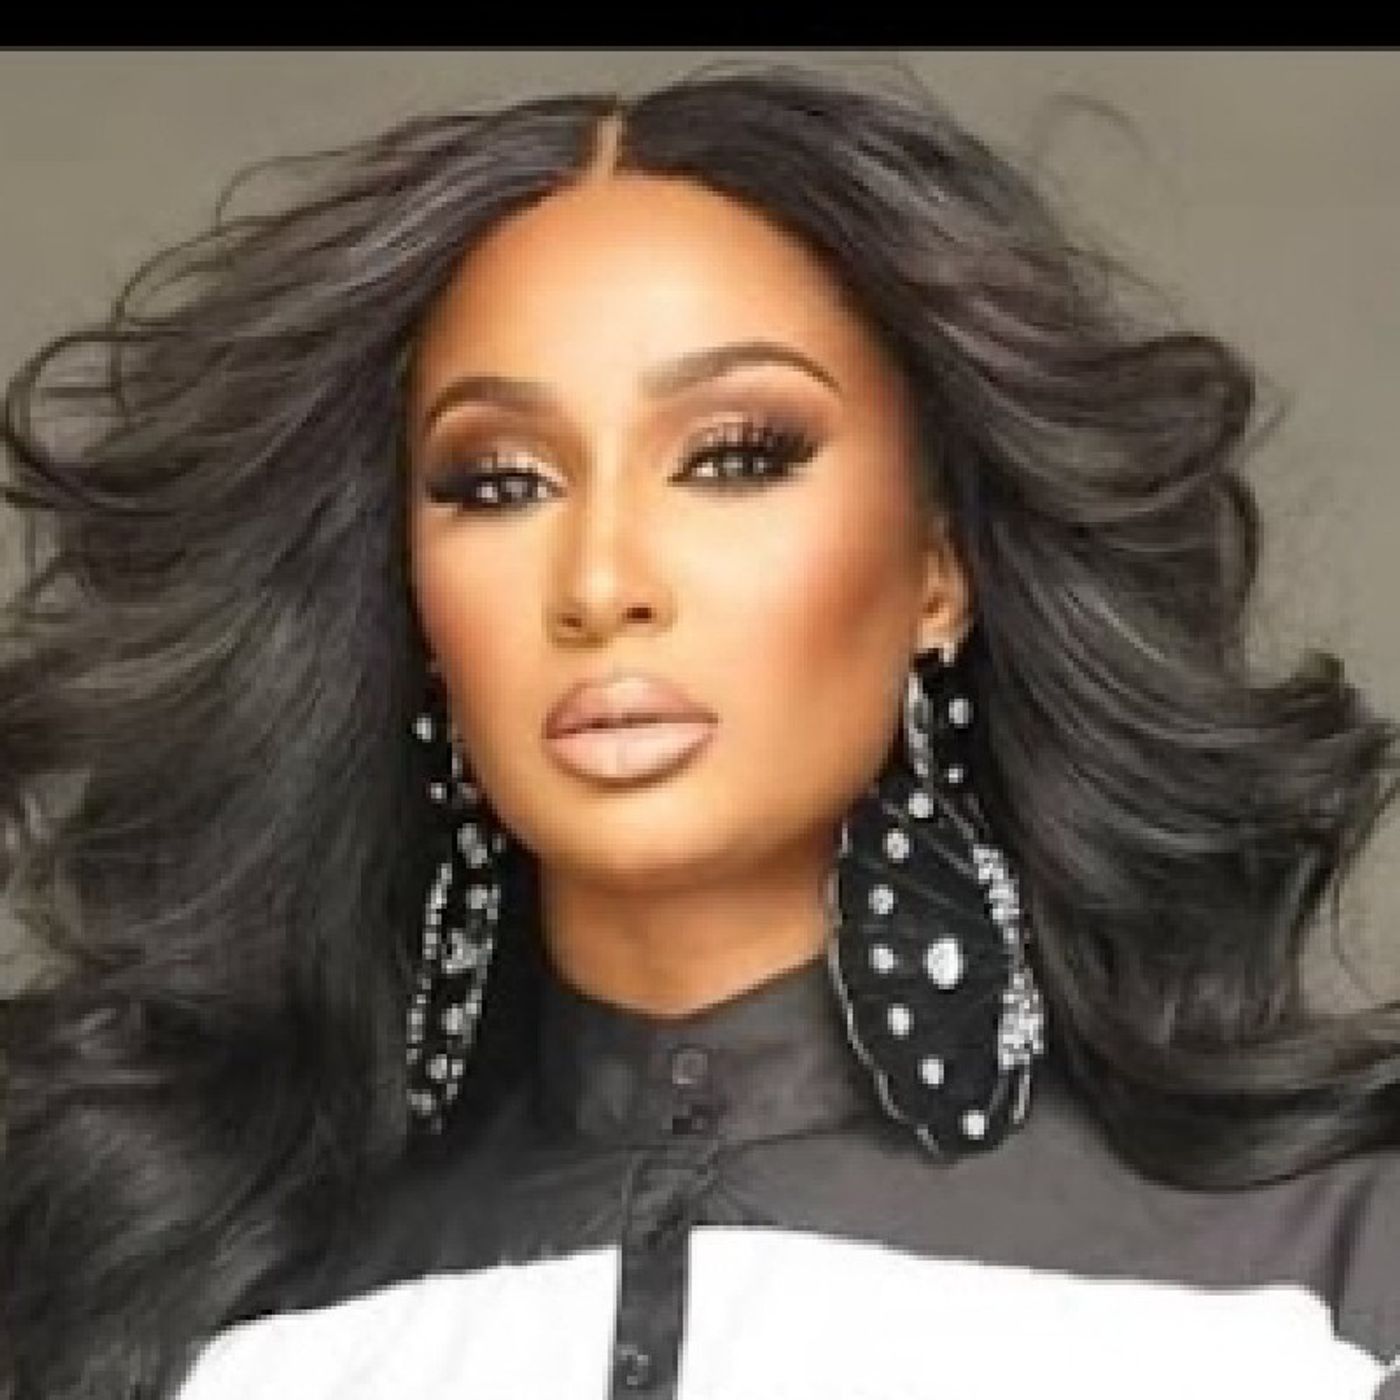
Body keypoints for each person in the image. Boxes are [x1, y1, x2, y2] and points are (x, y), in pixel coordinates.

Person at [1, 60, 1397, 1400]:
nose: (603, 581)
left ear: (938, 565)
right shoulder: (210, 1318)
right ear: (412, 601)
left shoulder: (1318, 1283)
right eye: (499, 483)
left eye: (736, 458)